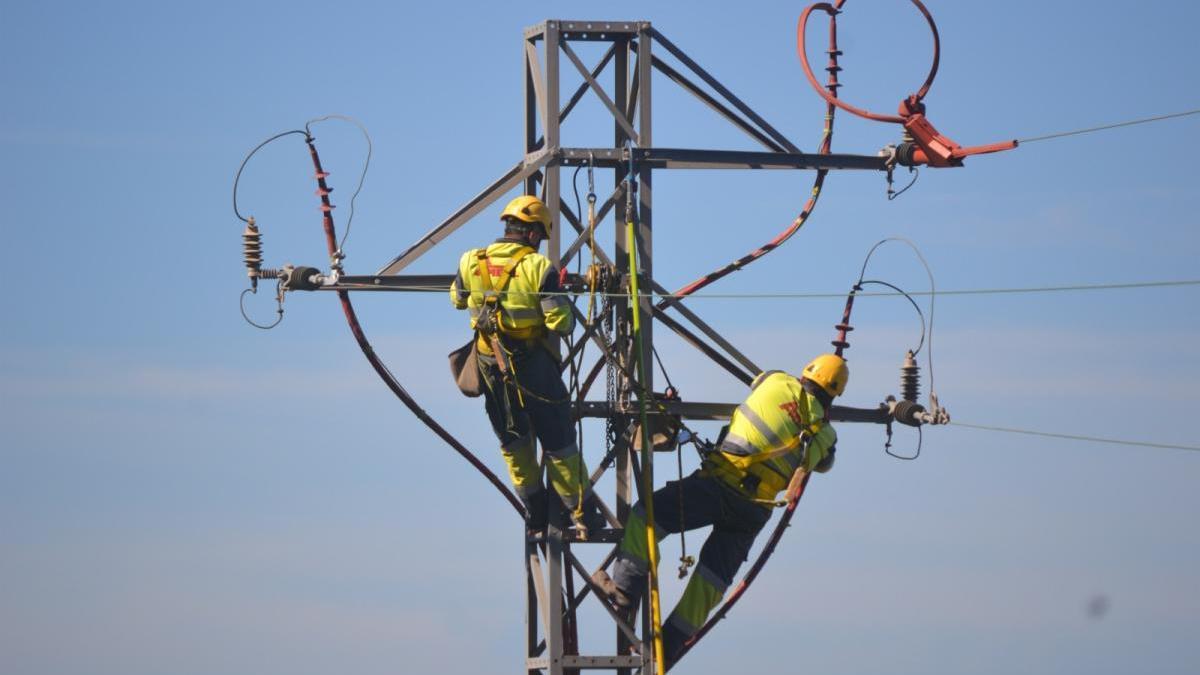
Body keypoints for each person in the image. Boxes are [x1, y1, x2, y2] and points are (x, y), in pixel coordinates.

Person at [594, 354, 849, 668]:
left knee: (648, 515)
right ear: (834, 396)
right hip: (753, 513)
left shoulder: (776, 380)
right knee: (710, 583)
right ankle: (667, 648)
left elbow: (759, 382)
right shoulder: (825, 437)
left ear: (805, 374)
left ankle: (624, 588)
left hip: (720, 484)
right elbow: (824, 464)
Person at [450, 194, 604, 535]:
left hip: (491, 366)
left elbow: (457, 299)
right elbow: (560, 324)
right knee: (559, 439)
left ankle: (534, 509)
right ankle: (581, 512)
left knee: (513, 441)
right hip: (532, 367)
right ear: (533, 233)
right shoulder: (538, 268)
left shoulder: (470, 261)